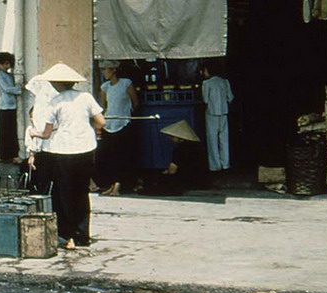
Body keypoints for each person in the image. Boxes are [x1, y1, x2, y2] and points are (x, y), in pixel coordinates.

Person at [29, 63, 105, 249]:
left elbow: (46, 134)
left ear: (56, 83)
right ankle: (83, 235)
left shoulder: (54, 102)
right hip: (86, 149)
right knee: (81, 192)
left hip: (63, 151)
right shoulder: (86, 97)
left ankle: (68, 236)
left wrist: (34, 134)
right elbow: (101, 122)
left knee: (64, 194)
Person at [96, 60, 139, 195]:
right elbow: (103, 107)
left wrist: (127, 115)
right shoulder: (105, 87)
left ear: (113, 70)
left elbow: (135, 102)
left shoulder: (126, 83)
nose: (104, 72)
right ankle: (111, 184)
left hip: (123, 123)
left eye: (106, 69)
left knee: (122, 156)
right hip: (109, 124)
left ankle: (119, 185)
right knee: (109, 156)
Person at [141, 120, 207, 196]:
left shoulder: (180, 150)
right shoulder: (197, 147)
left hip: (185, 179)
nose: (171, 138)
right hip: (199, 178)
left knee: (157, 178)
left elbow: (172, 170)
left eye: (172, 136)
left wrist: (165, 172)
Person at [24, 74, 57, 195]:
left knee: (46, 182)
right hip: (50, 148)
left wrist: (33, 152)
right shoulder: (50, 102)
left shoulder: (43, 105)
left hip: (48, 148)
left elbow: (40, 130)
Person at [201, 61, 234, 172]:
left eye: (205, 70)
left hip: (211, 113)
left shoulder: (207, 83)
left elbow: (205, 99)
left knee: (212, 140)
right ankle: (225, 163)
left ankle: (215, 165)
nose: (203, 72)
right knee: (224, 139)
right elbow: (230, 97)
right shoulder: (225, 82)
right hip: (224, 112)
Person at [0, 51, 22, 163]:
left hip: (12, 106)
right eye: (4, 64)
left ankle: (12, 154)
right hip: (4, 106)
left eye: (8, 63)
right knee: (4, 132)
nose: (7, 66)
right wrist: (19, 89)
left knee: (12, 132)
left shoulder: (10, 76)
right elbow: (7, 89)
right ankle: (4, 155)